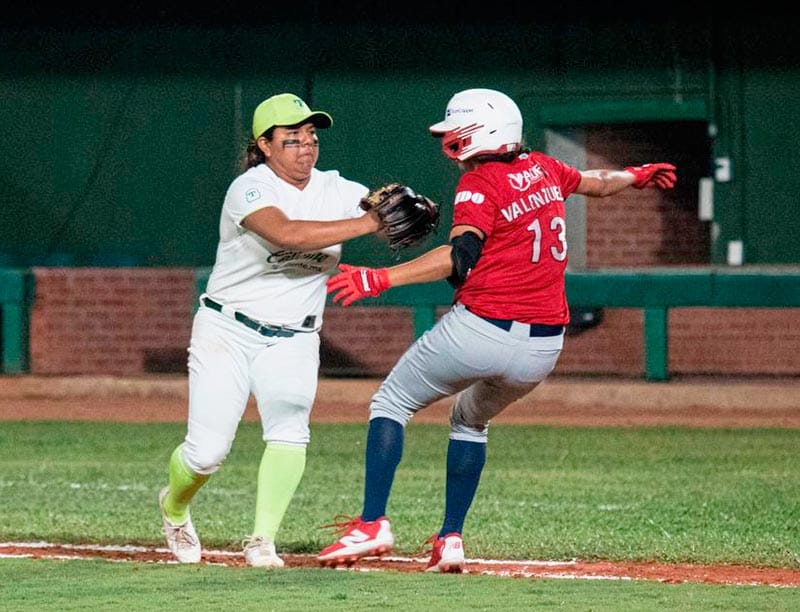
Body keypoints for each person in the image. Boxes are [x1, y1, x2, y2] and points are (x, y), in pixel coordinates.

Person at [317, 88, 677, 572]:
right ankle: (451, 539)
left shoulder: (480, 184)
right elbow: (595, 181)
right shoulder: (546, 168)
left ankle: (372, 523)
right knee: (469, 420)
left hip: (482, 330)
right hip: (543, 349)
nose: (448, 140)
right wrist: (636, 175)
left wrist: (381, 277)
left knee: (390, 403)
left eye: (454, 130)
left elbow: (459, 255)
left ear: (478, 133)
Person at [157, 92, 383, 568]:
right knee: (206, 454)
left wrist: (401, 206)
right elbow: (288, 235)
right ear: (264, 145)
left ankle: (262, 539)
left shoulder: (337, 189)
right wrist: (367, 222)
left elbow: (383, 207)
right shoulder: (250, 188)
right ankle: (174, 506)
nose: (306, 146)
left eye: (312, 137)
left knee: (289, 433)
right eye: (293, 138)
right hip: (227, 330)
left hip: (296, 337)